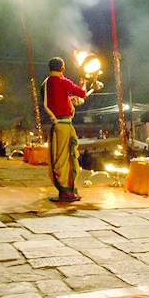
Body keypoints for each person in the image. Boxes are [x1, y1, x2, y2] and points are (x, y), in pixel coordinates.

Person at [43, 57, 88, 202]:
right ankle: (66, 190)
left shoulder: (46, 82)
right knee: (66, 157)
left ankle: (66, 189)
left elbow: (54, 100)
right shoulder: (64, 82)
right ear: (62, 68)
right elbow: (83, 94)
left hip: (56, 124)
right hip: (64, 125)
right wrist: (84, 84)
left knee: (59, 156)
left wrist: (69, 100)